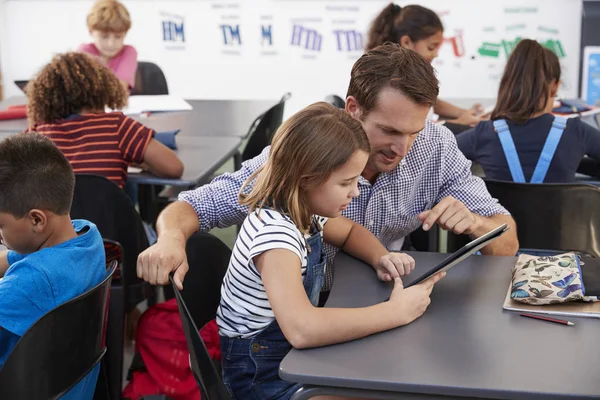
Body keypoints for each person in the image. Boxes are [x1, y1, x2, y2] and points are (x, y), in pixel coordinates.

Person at [137, 43, 518, 299]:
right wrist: (170, 238)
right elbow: (193, 206)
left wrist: (476, 224)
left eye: (413, 132)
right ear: (353, 108)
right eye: (388, 130)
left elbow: (507, 242)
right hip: (306, 304)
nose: (402, 147)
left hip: (379, 294)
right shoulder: (310, 152)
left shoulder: (437, 148)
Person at [217, 102, 445, 399]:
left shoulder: (303, 210)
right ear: (307, 179)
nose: (356, 191)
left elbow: (349, 231)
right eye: (346, 182)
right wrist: (394, 313)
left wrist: (381, 256)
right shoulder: (276, 238)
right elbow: (302, 329)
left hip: (290, 358)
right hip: (263, 377)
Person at [0, 133, 107, 399]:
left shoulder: (30, 282)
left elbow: (22, 283)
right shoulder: (85, 237)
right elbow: (11, 259)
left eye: (0, 226)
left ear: (36, 220)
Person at [26, 52, 183, 189]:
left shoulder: (36, 134)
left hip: (56, 224)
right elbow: (174, 168)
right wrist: (137, 161)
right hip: (108, 223)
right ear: (102, 88)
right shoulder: (117, 126)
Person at [456, 39, 600, 183]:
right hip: (561, 206)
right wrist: (572, 160)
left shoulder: (483, 135)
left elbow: (437, 158)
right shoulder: (577, 132)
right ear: (555, 87)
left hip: (501, 206)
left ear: (508, 83)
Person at [366, 3, 483, 127]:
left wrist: (465, 113)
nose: (436, 54)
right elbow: (411, 130)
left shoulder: (410, 74)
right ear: (406, 42)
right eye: (431, 47)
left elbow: (429, 103)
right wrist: (459, 123)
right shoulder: (391, 80)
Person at [77, 0, 137, 91]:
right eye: (104, 37)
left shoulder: (129, 52)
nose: (111, 44)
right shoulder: (83, 52)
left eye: (118, 37)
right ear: (91, 31)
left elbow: (120, 90)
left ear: (125, 34)